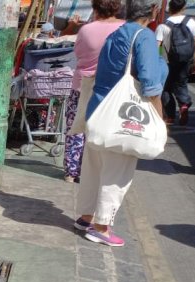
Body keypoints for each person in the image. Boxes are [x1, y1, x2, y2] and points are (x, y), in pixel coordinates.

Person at [75, 0, 167, 247]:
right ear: (154, 11)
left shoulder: (116, 34)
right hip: (123, 115)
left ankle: (85, 218)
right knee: (116, 173)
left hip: (98, 109)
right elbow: (150, 83)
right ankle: (101, 227)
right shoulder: (144, 36)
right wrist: (159, 117)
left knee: (93, 167)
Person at [63, 0, 124, 183]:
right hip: (112, 87)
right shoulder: (124, 28)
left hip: (83, 83)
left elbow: (79, 53)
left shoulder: (86, 30)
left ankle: (72, 172)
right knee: (105, 128)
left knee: (76, 127)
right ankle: (99, 171)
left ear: (95, 8)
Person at [155, 0, 195, 125]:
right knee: (181, 84)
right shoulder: (190, 22)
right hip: (185, 60)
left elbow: (155, 46)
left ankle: (170, 116)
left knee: (166, 88)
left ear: (169, 8)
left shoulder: (163, 26)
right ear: (184, 7)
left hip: (167, 62)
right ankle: (184, 105)